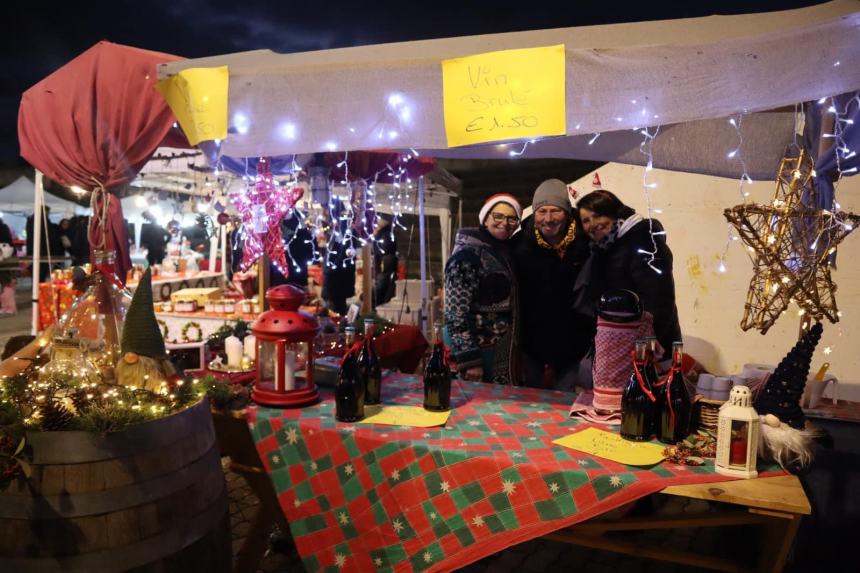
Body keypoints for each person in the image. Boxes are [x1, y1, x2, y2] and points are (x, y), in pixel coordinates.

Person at [574, 189, 681, 361]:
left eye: (598, 215)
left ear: (614, 212)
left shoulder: (643, 239)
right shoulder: (603, 249)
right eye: (586, 220)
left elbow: (659, 297)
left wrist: (647, 343)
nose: (593, 224)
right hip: (620, 345)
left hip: (649, 348)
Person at [513, 179, 593, 391]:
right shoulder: (519, 246)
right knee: (530, 400)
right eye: (542, 211)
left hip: (574, 341)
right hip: (532, 341)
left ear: (567, 212)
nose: (548, 219)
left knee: (565, 402)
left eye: (555, 211)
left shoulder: (587, 241)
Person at [444, 194, 521, 385]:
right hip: (477, 352)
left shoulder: (501, 251)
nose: (505, 223)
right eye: (498, 216)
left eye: (512, 218)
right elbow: (455, 312)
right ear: (485, 218)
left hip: (499, 350)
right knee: (473, 407)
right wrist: (470, 361)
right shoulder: (467, 255)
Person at [372, 213, 398, 306]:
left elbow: (383, 249)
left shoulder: (385, 235)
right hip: (384, 266)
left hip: (385, 266)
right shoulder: (386, 233)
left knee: (380, 291)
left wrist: (376, 236)